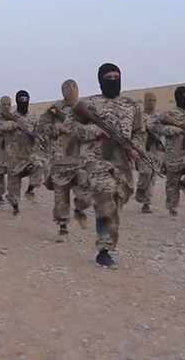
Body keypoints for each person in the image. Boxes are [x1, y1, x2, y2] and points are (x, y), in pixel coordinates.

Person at [73, 63, 140, 269]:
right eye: (108, 77)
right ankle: (104, 250)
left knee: (116, 202)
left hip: (122, 163)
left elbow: (139, 132)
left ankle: (83, 200)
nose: (113, 80)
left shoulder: (131, 105)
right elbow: (73, 129)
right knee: (106, 194)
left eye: (116, 77)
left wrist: (135, 148)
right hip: (96, 160)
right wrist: (98, 131)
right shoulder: (89, 104)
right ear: (101, 81)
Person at [38, 80, 90, 242]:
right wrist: (55, 129)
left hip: (81, 157)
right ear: (63, 91)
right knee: (61, 193)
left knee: (86, 192)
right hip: (60, 157)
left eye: (74, 88)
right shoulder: (55, 109)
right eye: (67, 89)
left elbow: (95, 127)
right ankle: (63, 227)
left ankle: (80, 209)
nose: (71, 91)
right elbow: (42, 126)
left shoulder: (85, 107)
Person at [151, 86, 185, 217]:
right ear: (176, 97)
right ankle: (172, 209)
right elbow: (155, 126)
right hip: (173, 154)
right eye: (181, 95)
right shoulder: (168, 114)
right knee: (172, 183)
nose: (184, 97)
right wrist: (172, 130)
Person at [0, 91, 44, 213]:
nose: (24, 102)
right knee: (13, 194)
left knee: (39, 165)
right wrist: (14, 124)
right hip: (13, 160)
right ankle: (14, 207)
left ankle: (30, 190)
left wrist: (37, 136)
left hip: (28, 156)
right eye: (21, 99)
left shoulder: (33, 118)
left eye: (26, 99)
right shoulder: (9, 117)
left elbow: (38, 132)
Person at [135, 92, 163, 214]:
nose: (152, 103)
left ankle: (147, 203)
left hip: (155, 150)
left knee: (152, 176)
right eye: (150, 100)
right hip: (142, 149)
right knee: (145, 173)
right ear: (145, 101)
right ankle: (140, 189)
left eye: (154, 100)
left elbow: (163, 131)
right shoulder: (139, 116)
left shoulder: (159, 118)